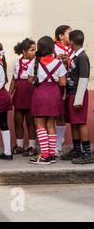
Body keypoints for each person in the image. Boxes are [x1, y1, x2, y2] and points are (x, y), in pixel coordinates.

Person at [28, 36, 67, 165]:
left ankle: (44, 155)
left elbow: (30, 80)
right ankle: (51, 154)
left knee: (39, 125)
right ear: (52, 48)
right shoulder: (58, 63)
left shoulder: (35, 62)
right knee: (51, 125)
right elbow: (62, 83)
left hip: (39, 94)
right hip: (54, 94)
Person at [63, 30, 93, 164]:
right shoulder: (74, 56)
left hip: (78, 94)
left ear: (72, 42)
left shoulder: (82, 57)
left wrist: (79, 99)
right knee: (74, 123)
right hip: (71, 93)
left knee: (80, 123)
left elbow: (84, 77)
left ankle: (87, 153)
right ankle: (77, 150)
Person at [9, 38, 37, 157]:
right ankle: (19, 145)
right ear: (24, 52)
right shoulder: (17, 63)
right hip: (20, 92)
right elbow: (14, 80)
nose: (35, 52)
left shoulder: (36, 62)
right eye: (32, 50)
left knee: (30, 121)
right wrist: (9, 94)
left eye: (35, 49)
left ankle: (32, 146)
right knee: (17, 120)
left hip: (31, 91)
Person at [54, 25, 73, 155]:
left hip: (70, 85)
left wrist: (69, 60)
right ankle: (56, 144)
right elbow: (46, 63)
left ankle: (61, 142)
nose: (71, 36)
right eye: (69, 33)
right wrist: (56, 59)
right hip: (57, 84)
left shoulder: (74, 49)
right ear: (61, 36)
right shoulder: (53, 47)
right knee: (57, 114)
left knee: (67, 114)